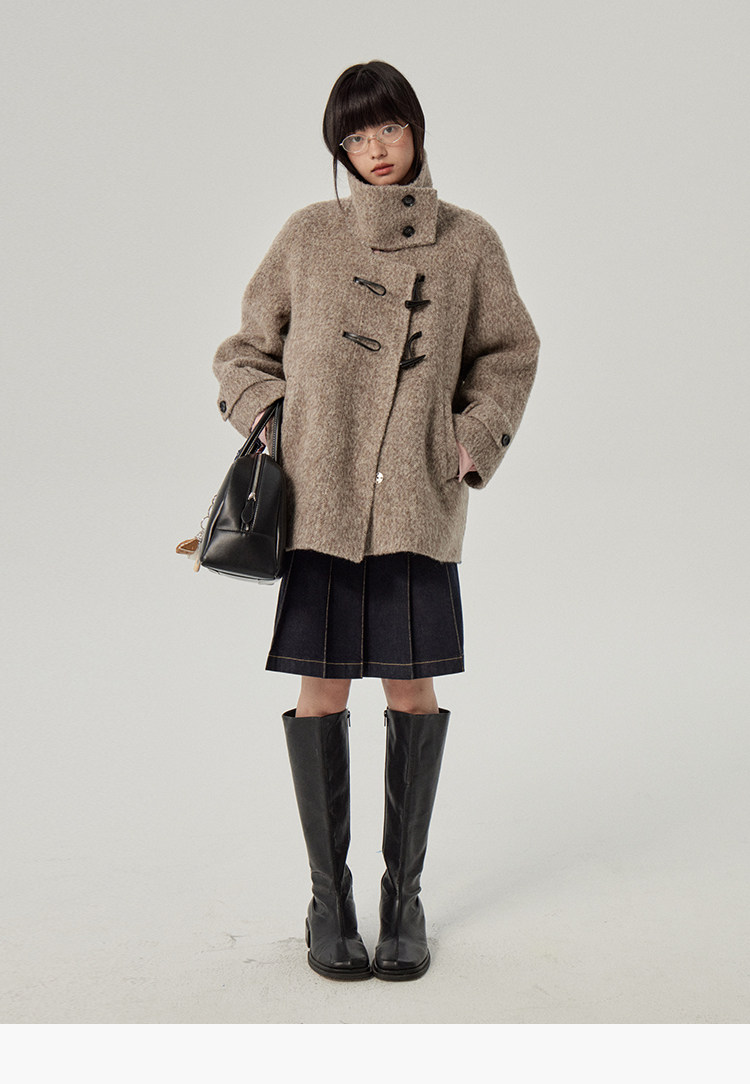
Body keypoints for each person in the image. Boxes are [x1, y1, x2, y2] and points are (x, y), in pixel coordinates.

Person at [210, 60, 540, 981]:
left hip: (414, 506)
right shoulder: (307, 237)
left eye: (387, 128)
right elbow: (242, 353)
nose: (374, 150)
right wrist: (275, 421)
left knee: (411, 695)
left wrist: (470, 439)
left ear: (415, 128)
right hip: (319, 509)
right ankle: (329, 901)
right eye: (354, 138)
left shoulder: (469, 242)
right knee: (321, 696)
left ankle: (404, 901)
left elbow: (511, 351)